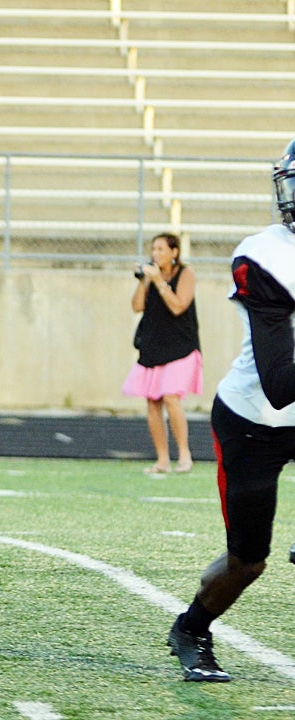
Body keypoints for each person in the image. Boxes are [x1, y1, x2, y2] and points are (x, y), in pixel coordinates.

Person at [166, 139, 295, 684]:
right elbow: (280, 384)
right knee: (249, 561)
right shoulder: (266, 255)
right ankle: (192, 628)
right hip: (255, 423)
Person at [122, 232, 200, 475]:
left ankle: (184, 455)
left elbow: (178, 306)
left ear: (174, 252)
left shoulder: (185, 274)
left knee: (170, 396)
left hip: (180, 347)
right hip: (154, 345)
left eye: (161, 249)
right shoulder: (151, 276)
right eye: (153, 249)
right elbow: (137, 306)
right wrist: (142, 281)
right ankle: (162, 460)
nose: (155, 254)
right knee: (152, 401)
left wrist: (159, 282)